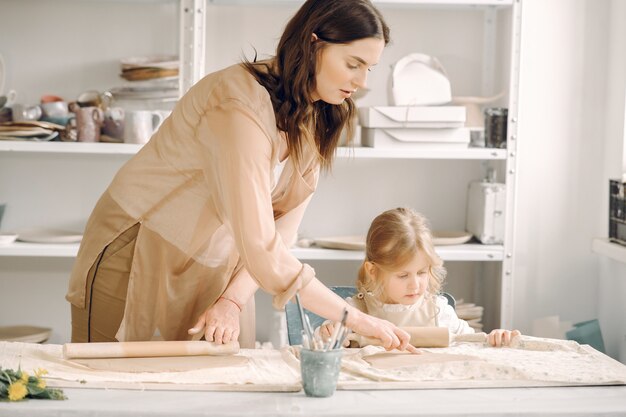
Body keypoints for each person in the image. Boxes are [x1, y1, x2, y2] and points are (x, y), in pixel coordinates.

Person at [66, 0, 417, 352]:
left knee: (214, 390)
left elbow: (281, 234)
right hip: (139, 246)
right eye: (353, 64)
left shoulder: (322, 112)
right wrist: (356, 319)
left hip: (221, 262)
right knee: (113, 381)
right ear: (313, 45)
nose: (361, 81)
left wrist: (232, 300)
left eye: (369, 68)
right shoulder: (237, 104)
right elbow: (262, 249)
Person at [319, 207, 521, 348]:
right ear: (373, 271)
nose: (415, 285)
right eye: (403, 275)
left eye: (422, 272)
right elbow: (325, 344)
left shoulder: (438, 311)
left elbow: (474, 341)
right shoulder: (355, 311)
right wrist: (329, 335)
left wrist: (494, 338)